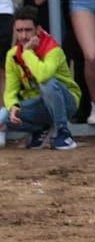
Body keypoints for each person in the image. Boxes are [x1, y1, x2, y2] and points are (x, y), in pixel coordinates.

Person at [2, 8, 81, 150]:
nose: (24, 36)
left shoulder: (53, 49)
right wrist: (13, 106)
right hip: (39, 104)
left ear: (38, 30)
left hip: (66, 102)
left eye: (28, 30)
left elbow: (43, 76)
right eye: (19, 31)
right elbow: (10, 91)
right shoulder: (12, 55)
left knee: (47, 83)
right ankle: (40, 130)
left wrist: (27, 52)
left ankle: (63, 133)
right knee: (5, 116)